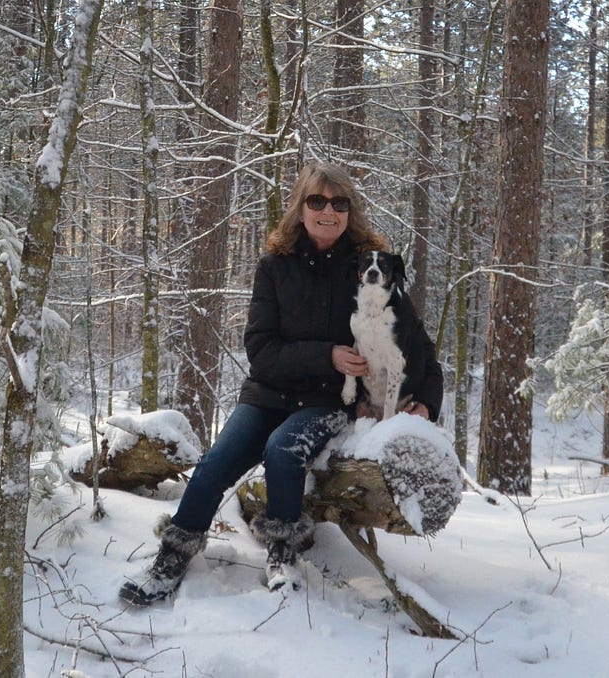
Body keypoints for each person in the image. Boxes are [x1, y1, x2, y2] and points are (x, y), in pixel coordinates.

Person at [119, 162, 444, 605]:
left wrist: (426, 399)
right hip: (268, 393)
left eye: (339, 203)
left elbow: (417, 345)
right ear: (300, 207)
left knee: (283, 449)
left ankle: (282, 555)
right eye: (317, 201)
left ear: (351, 211)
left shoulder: (369, 269)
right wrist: (327, 355)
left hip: (328, 401)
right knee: (216, 462)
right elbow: (260, 347)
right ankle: (171, 558)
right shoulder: (275, 265)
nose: (327, 211)